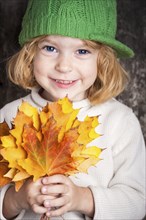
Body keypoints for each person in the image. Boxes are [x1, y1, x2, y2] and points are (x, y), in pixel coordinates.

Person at [0, 0, 145, 219]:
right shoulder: (10, 116)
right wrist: (16, 199)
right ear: (30, 53)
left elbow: (137, 204)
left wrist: (82, 198)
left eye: (82, 51)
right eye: (50, 48)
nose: (64, 66)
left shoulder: (119, 121)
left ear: (102, 60)